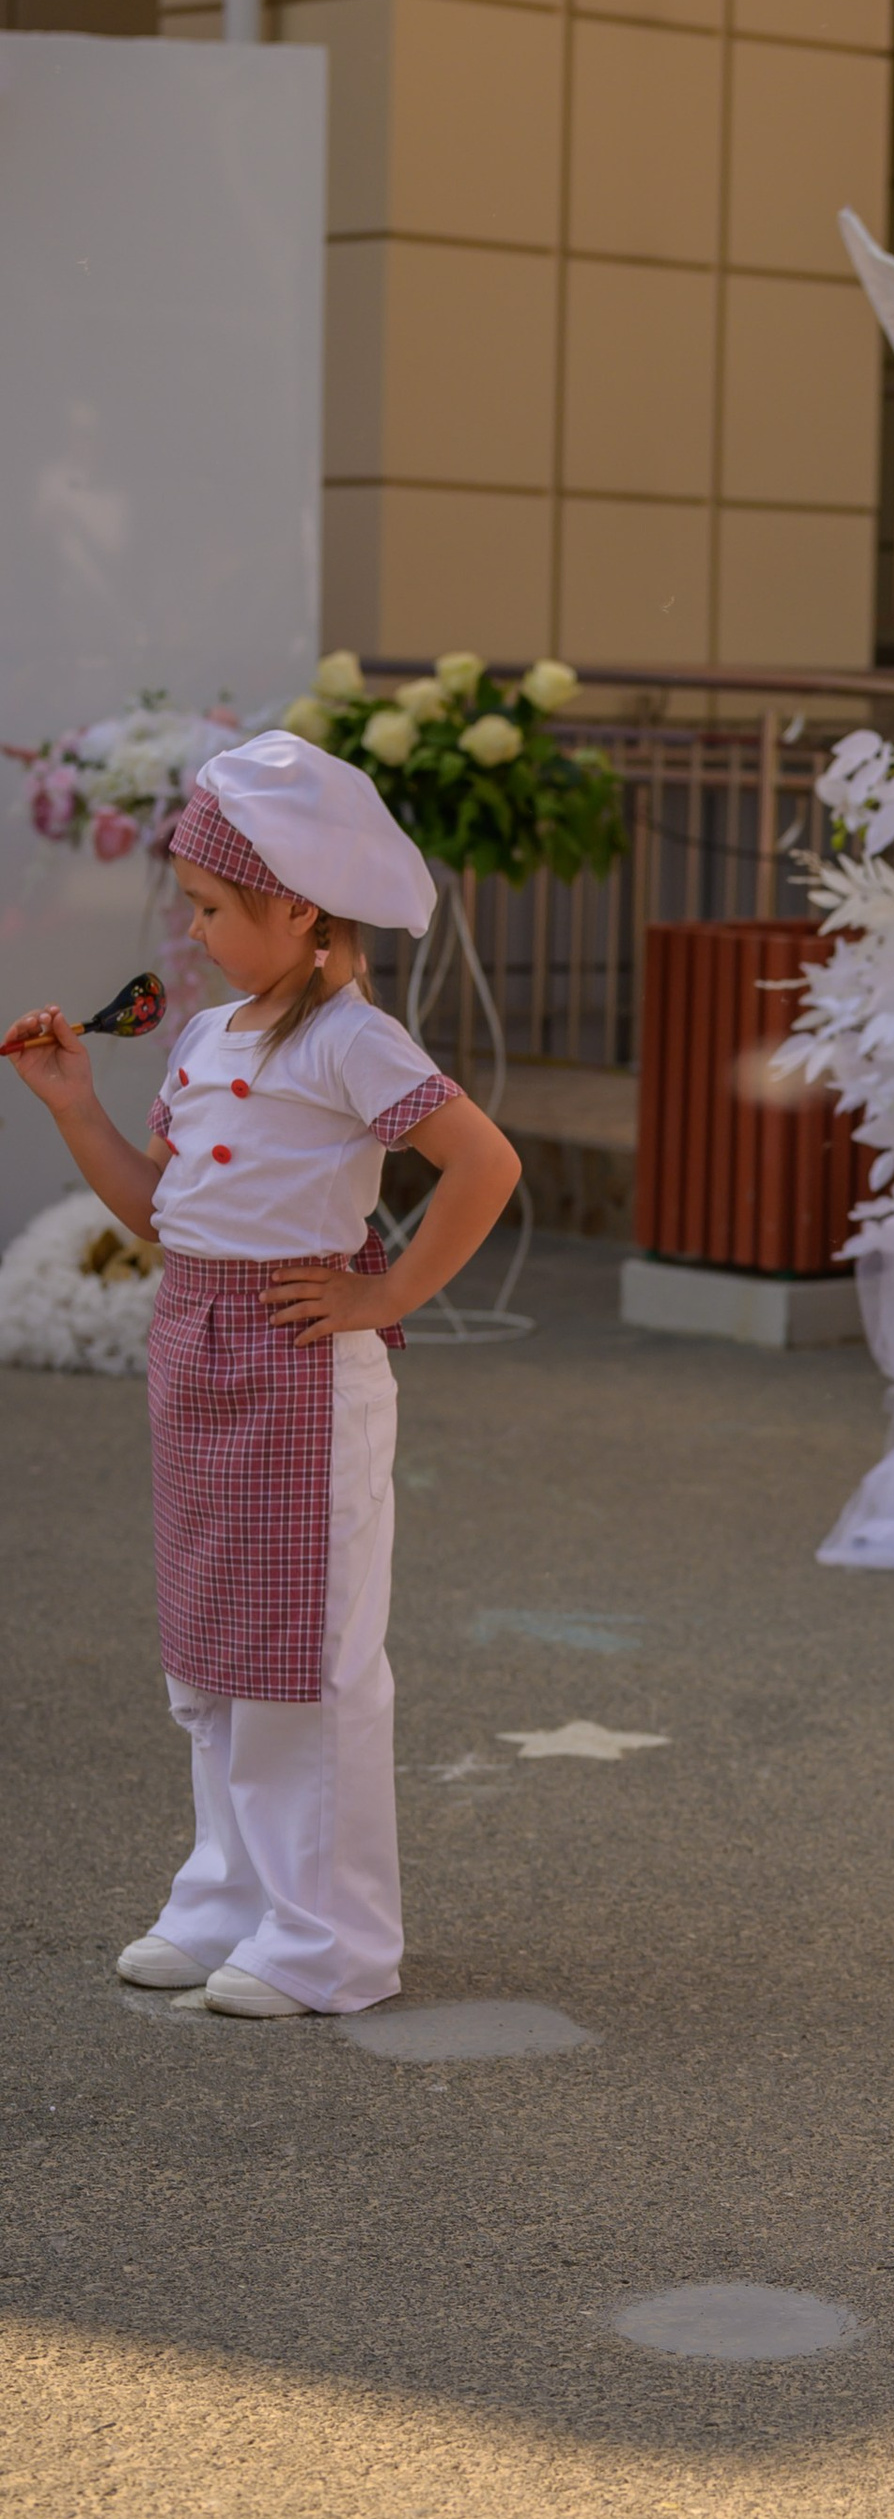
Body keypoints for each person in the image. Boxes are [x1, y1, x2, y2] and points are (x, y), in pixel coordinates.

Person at [2, 733, 520, 2017]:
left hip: (301, 1362)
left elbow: (484, 1164)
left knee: (309, 1659)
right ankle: (227, 1897)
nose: (196, 932)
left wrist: (386, 1291)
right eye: (192, 906)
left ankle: (327, 1937)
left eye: (215, 909)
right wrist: (75, 1104)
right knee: (217, 1652)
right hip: (199, 1346)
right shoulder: (207, 1036)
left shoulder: (354, 1040)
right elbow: (166, 1210)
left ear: (298, 908)